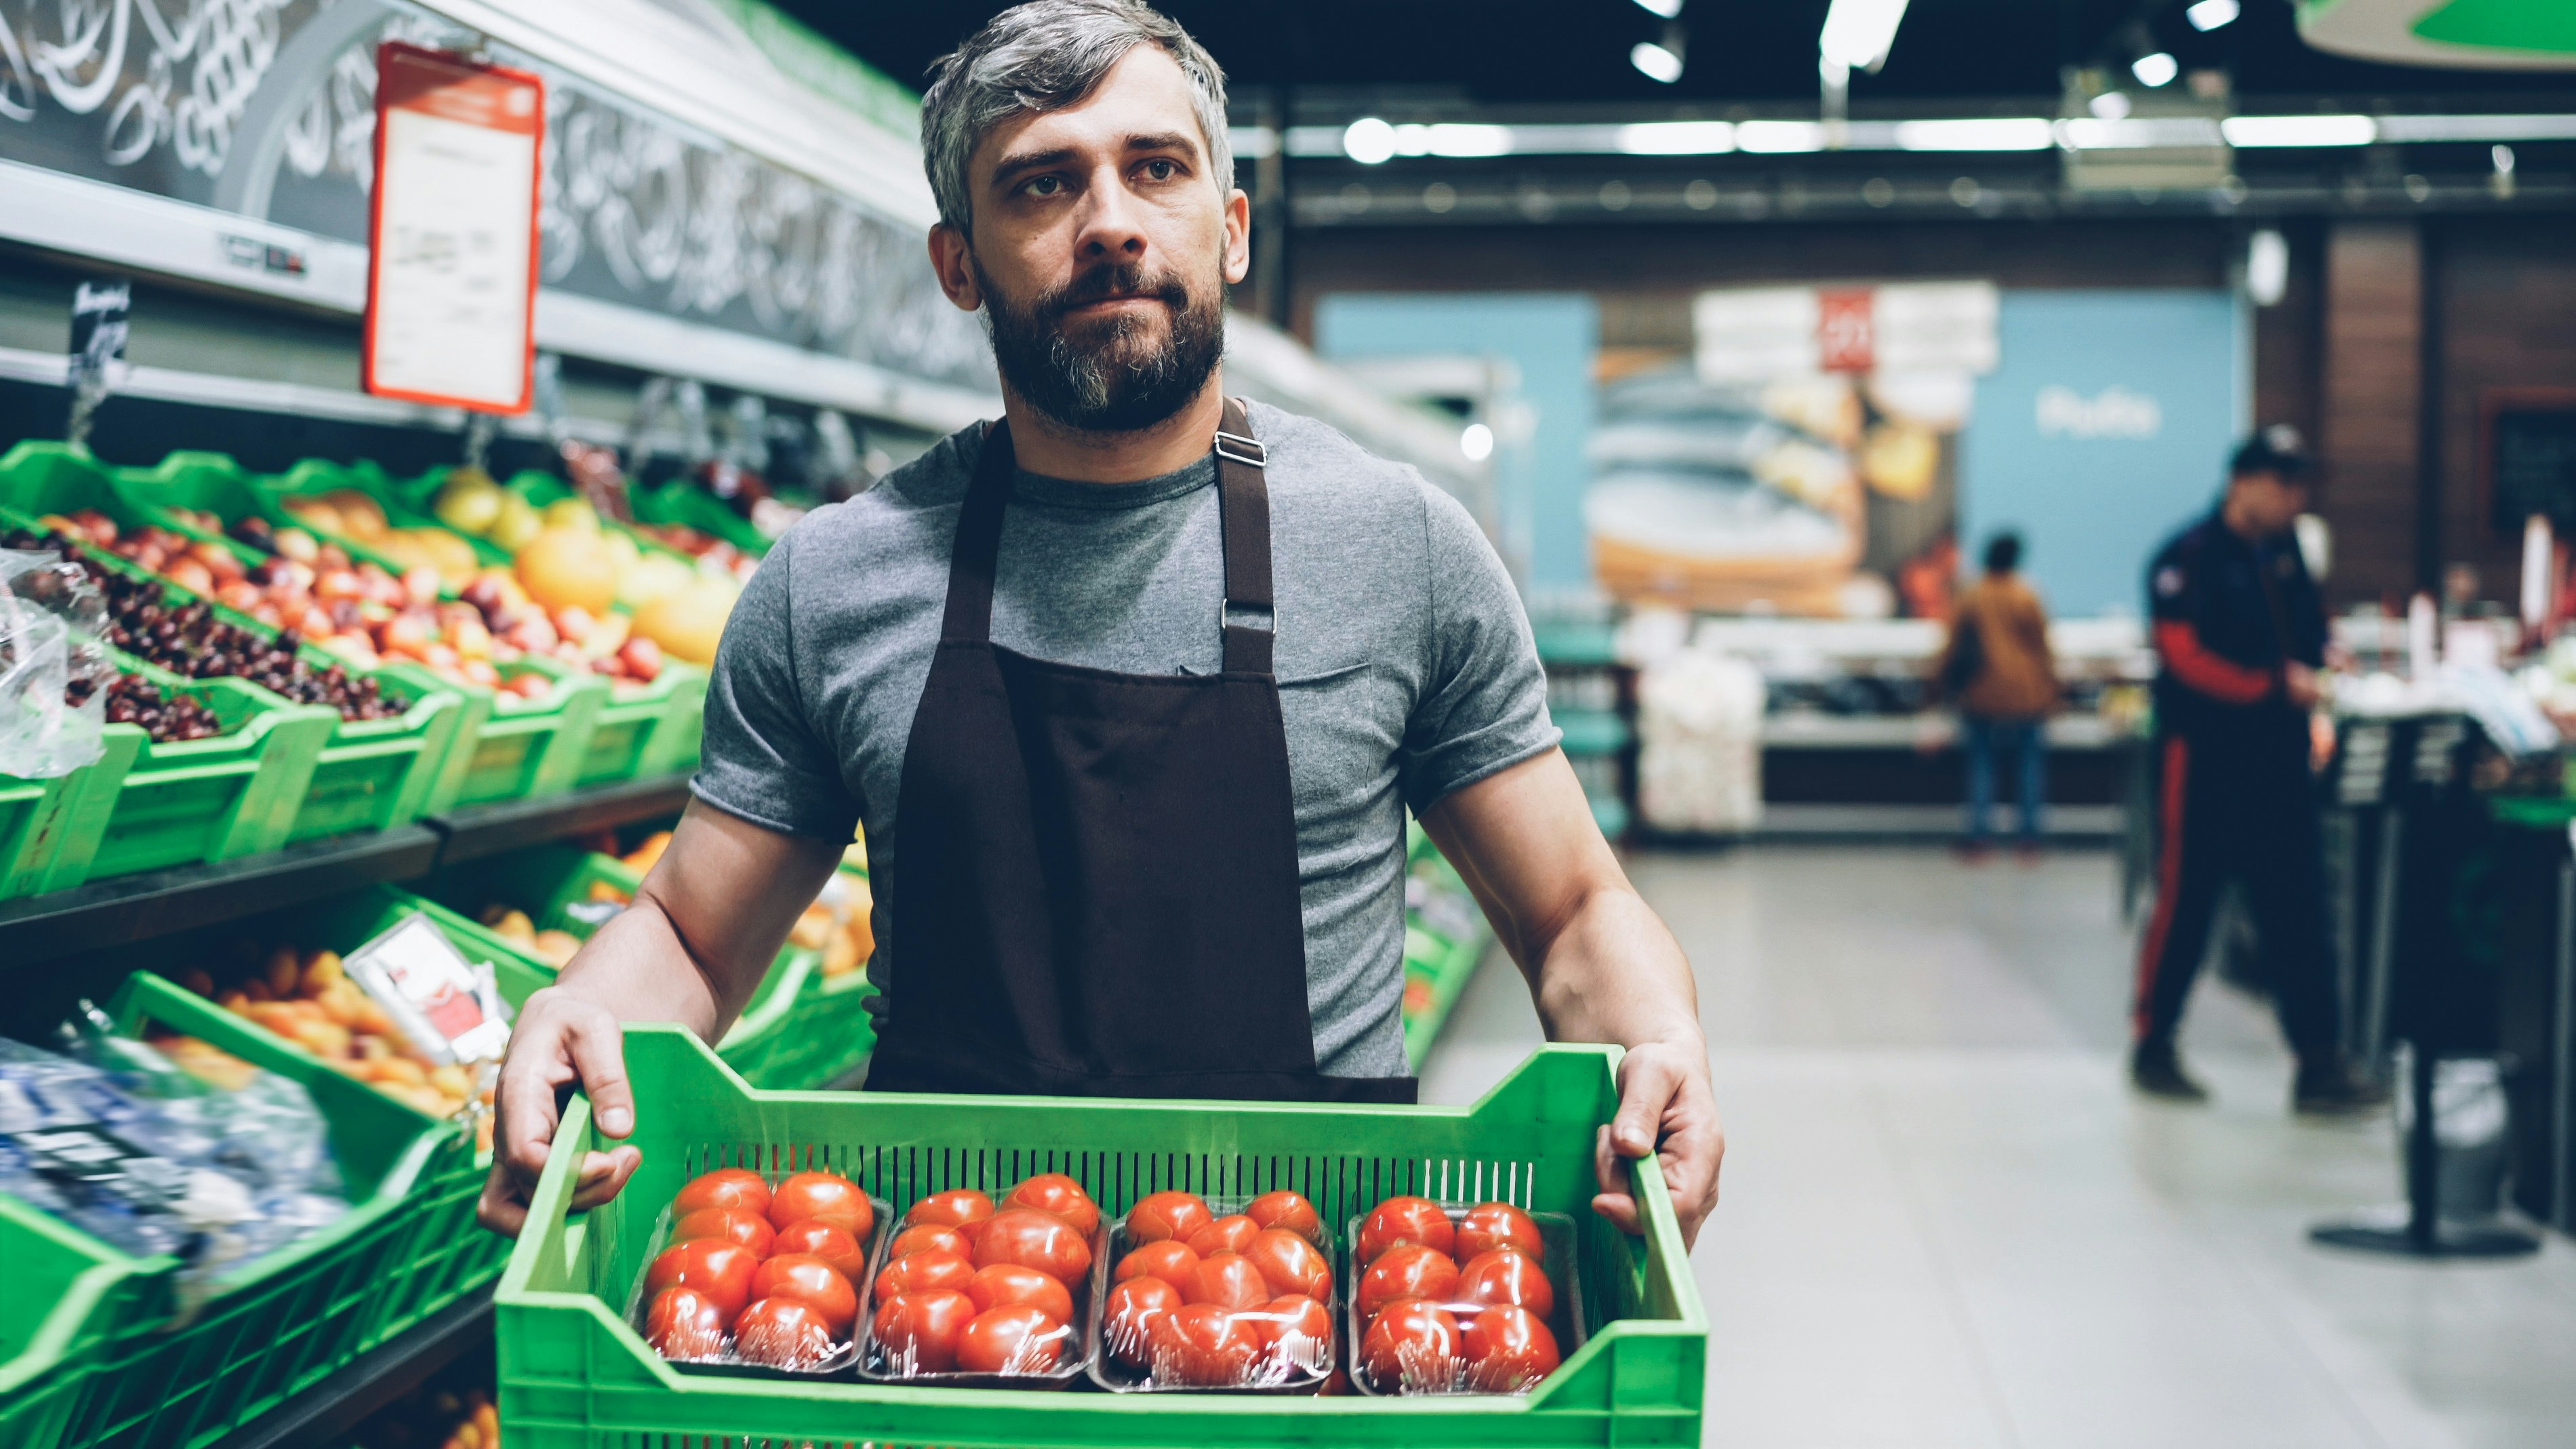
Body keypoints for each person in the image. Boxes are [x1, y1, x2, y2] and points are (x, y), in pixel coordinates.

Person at [476, 0, 1720, 1246]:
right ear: (958, 262)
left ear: (1228, 231)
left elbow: (1568, 909)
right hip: (950, 1322)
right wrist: (580, 1005)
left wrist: (1658, 1038)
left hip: (1292, 1312)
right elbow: (692, 939)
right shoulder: (834, 582)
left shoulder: (1404, 548)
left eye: (1157, 169)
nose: (1111, 222)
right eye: (1040, 185)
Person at [2130, 427, 2384, 1114]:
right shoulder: (2185, 557)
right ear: (2241, 480)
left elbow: (2308, 627)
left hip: (2278, 756)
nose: (2293, 497)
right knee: (2187, 900)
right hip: (2204, 756)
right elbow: (2182, 654)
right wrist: (2273, 684)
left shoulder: (2286, 552)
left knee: (2296, 908)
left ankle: (2318, 1062)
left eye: (2299, 485)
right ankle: (2153, 1043)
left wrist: (2326, 655)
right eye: (2282, 483)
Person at [1933, 531, 2058, 859]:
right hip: (2027, 692)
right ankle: (2029, 838)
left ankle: (1979, 836)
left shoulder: (1972, 596)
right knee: (2029, 765)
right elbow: (2043, 648)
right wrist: (2054, 690)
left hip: (1982, 691)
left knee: (1981, 764)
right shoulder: (2027, 595)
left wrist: (1936, 685)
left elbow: (1952, 646)